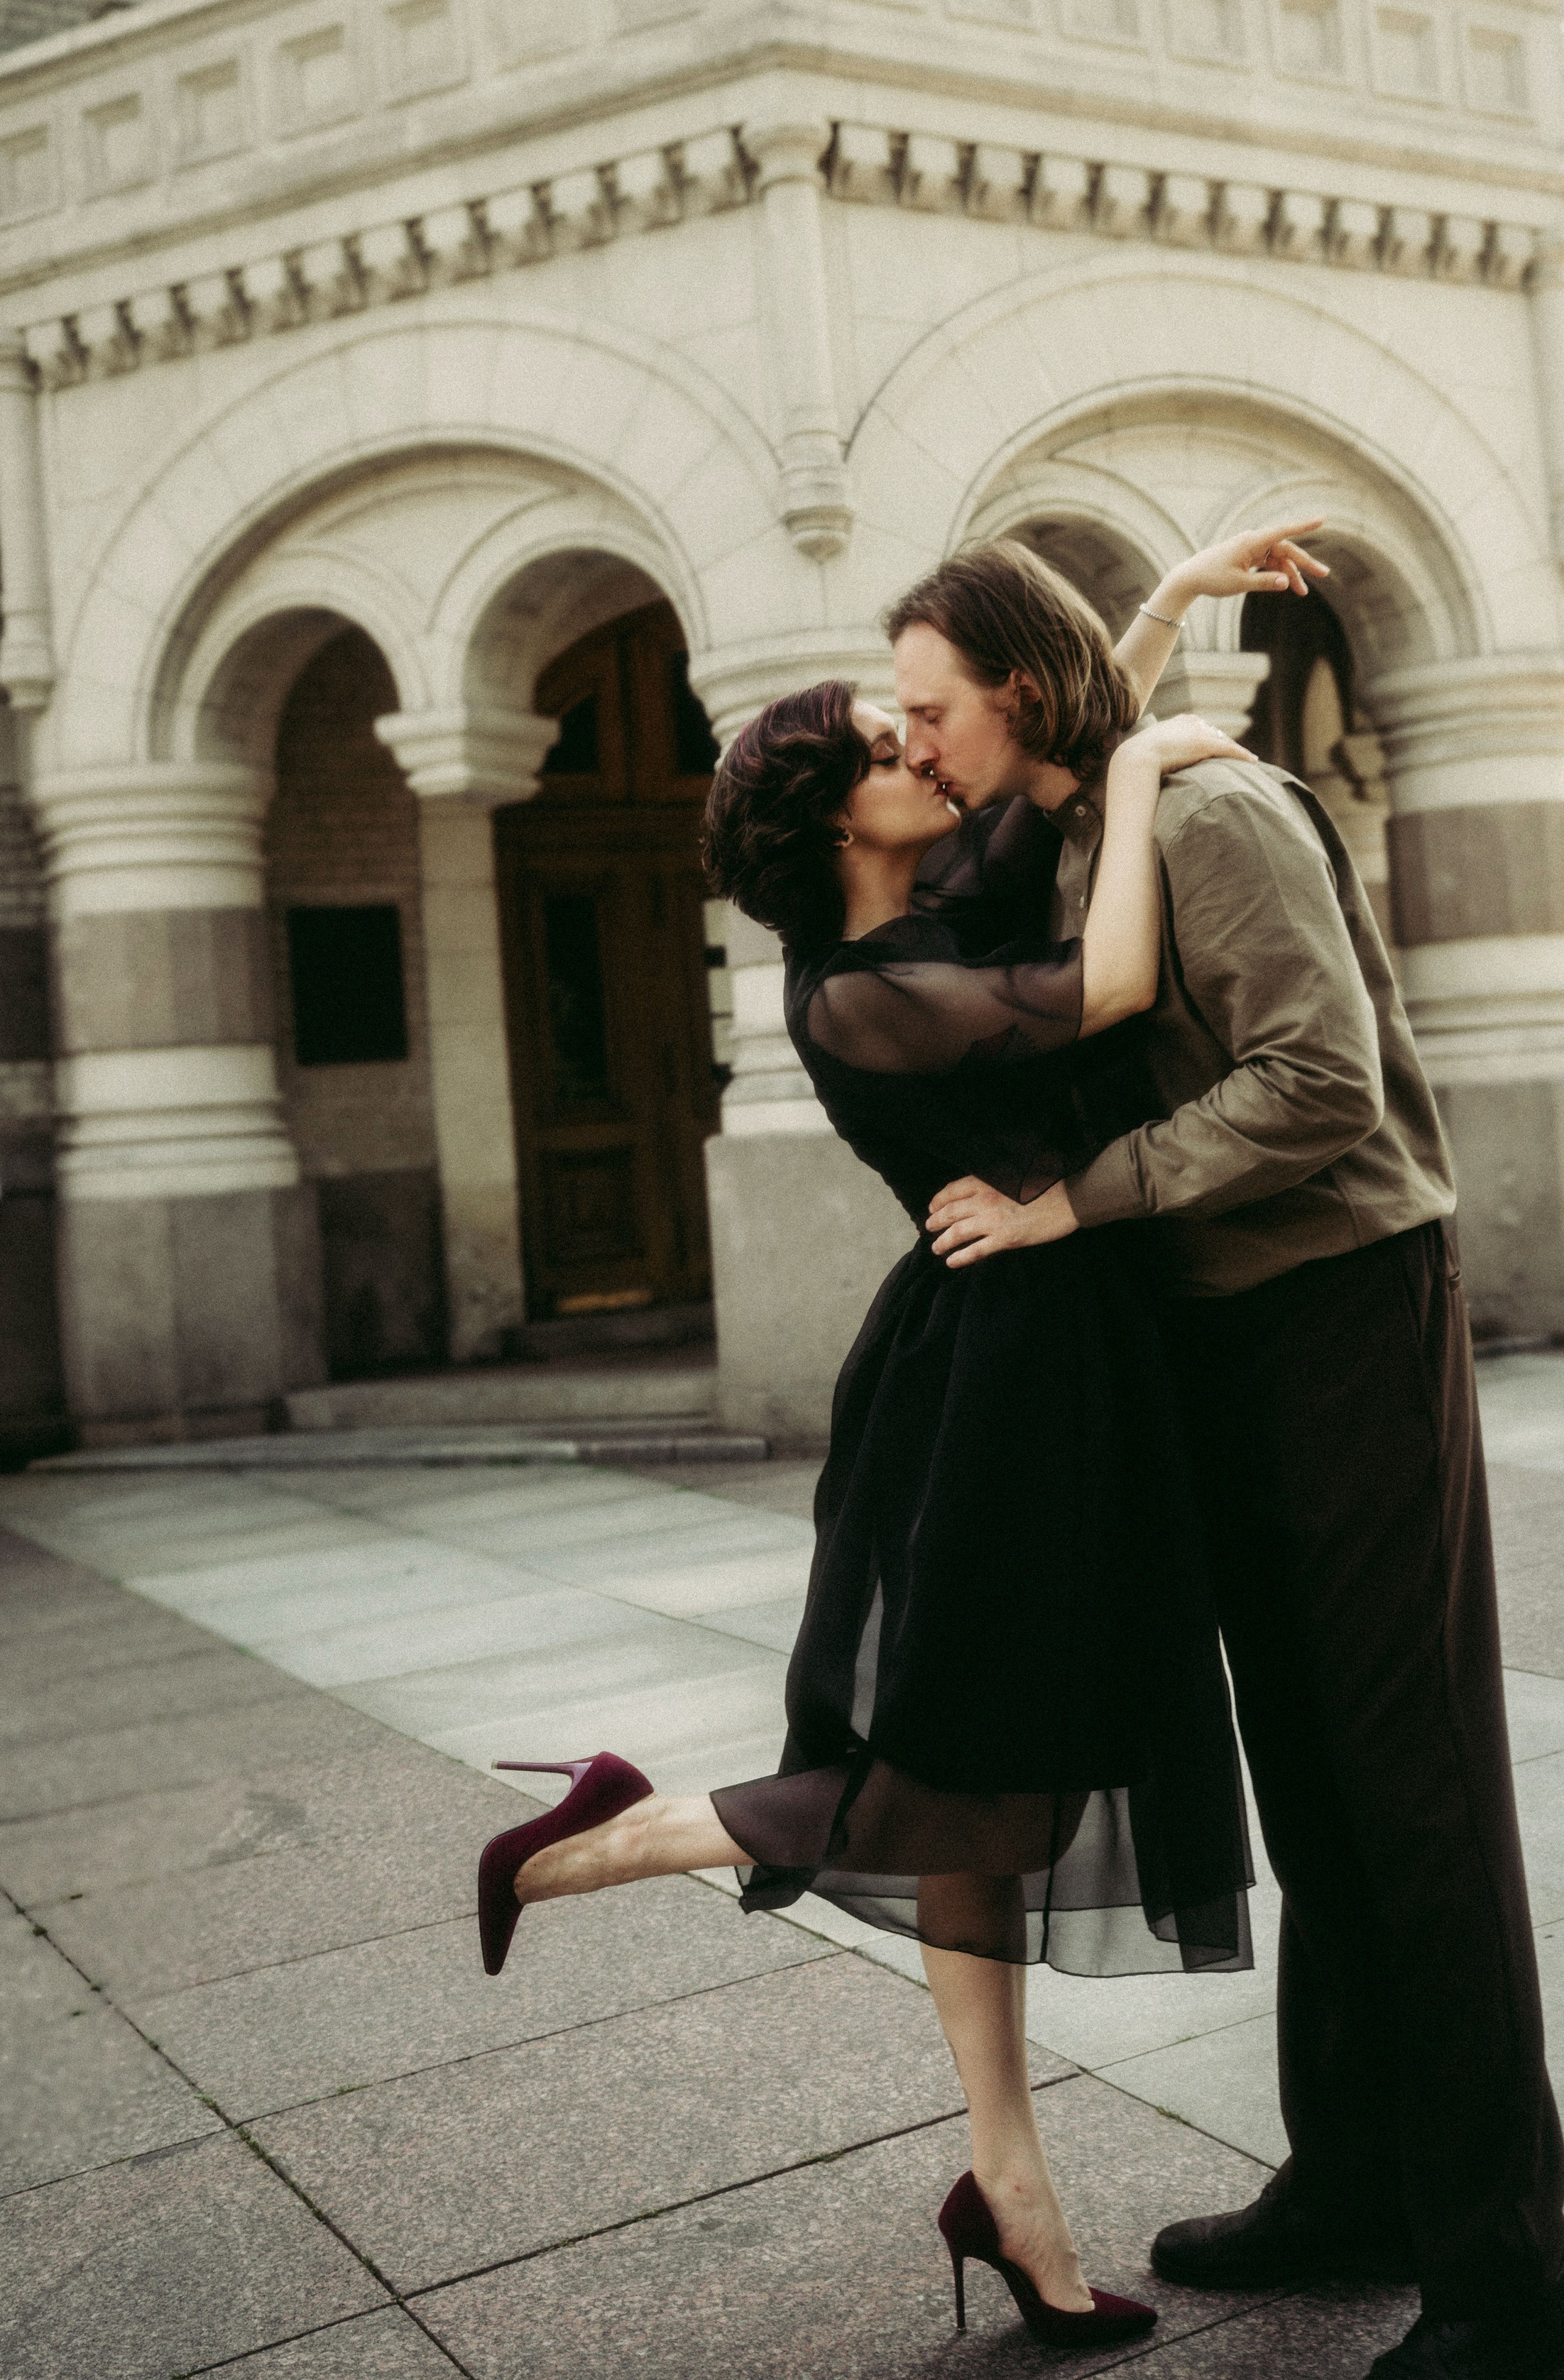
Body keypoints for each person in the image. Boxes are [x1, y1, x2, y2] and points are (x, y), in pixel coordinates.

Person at [474, 525, 1323, 2350]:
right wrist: (1162, 757)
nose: (921, 757)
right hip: (997, 1383)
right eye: (887, 749)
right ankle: (595, 1840)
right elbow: (1099, 987)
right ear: (837, 827)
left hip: (1056, 1351)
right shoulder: (859, 988)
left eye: (914, 733)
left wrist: (1164, 610)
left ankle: (1005, 2185)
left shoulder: (937, 899)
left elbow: (1054, 734)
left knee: (985, 1789)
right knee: (953, 1771)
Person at [891, 537, 1564, 2380]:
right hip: (1227, 1331)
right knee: (1316, 1771)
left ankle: (1512, 2279)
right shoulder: (1084, 816)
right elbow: (1076, 736)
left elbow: (1321, 1082)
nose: (915, 742)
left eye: (930, 708)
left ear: (1017, 703)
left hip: (1348, 1306)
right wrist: (1161, 609)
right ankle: (1360, 2176)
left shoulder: (1214, 818)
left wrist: (1074, 1205)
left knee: (1411, 1782)